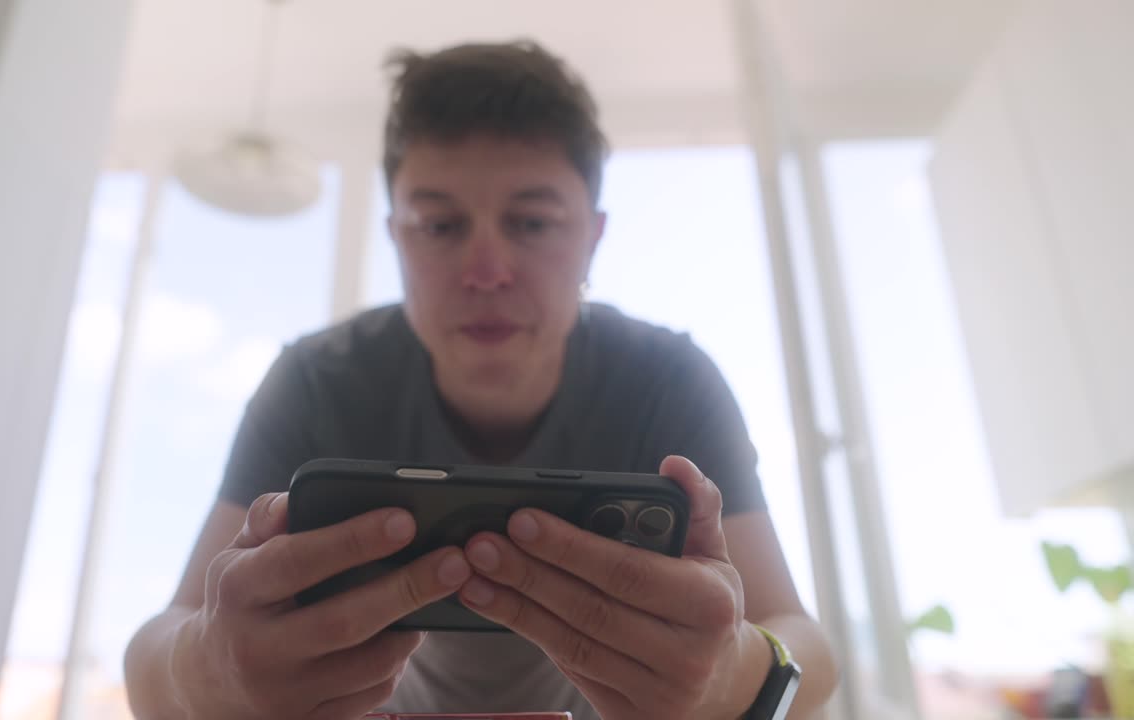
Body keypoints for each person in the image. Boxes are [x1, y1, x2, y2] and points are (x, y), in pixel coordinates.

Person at [124, 40, 837, 720]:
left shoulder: (668, 379)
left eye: (530, 222)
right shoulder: (315, 380)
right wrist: (209, 671)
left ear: (592, 238)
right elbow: (157, 650)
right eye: (439, 226)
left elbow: (804, 643)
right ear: (396, 237)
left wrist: (734, 677)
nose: (486, 270)